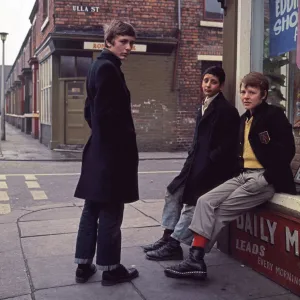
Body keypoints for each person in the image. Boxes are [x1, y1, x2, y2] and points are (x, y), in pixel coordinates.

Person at [164, 72, 297, 280]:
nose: (246, 96)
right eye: (243, 92)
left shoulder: (273, 115)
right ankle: (195, 260)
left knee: (221, 210)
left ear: (263, 95)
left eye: (251, 92)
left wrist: (268, 177)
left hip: (263, 179)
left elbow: (287, 150)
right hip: (242, 175)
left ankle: (195, 258)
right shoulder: (244, 119)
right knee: (205, 201)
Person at [143, 66, 240, 261]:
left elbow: (229, 145)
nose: (208, 85)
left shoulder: (227, 111)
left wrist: (210, 160)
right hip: (193, 164)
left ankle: (174, 245)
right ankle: (167, 236)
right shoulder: (202, 106)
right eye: (205, 80)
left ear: (220, 85)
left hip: (212, 170)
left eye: (213, 82)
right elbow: (197, 140)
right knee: (172, 193)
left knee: (191, 204)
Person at [73, 20, 139, 286]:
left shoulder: (96, 66)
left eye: (131, 43)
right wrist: (119, 147)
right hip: (112, 156)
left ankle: (83, 266)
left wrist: (101, 138)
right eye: (123, 41)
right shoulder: (109, 69)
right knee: (111, 211)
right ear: (109, 40)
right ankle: (111, 270)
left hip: (98, 152)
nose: (129, 47)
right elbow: (104, 115)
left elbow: (89, 111)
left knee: (91, 209)